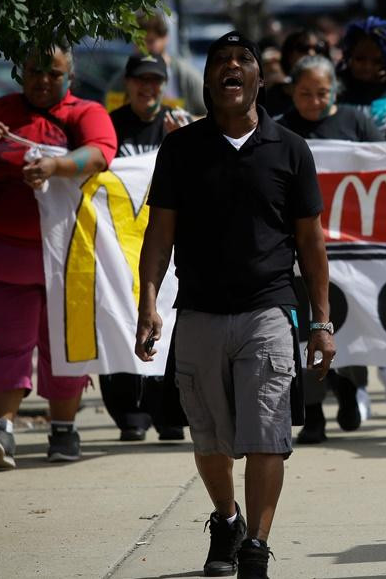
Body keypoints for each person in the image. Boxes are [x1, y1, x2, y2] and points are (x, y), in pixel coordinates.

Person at [135, 31, 335, 578]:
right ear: (207, 81)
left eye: (242, 59)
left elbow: (312, 243)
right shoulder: (181, 150)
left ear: (258, 79)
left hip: (269, 310)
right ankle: (227, 519)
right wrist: (148, 304)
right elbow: (159, 234)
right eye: (220, 60)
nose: (231, 66)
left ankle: (256, 545)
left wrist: (321, 321)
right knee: (211, 439)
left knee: (268, 430)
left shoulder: (290, 148)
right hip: (198, 310)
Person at [0, 42, 118, 468]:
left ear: (70, 76)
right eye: (35, 71)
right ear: (21, 72)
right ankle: (2, 430)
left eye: (54, 73)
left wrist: (57, 167)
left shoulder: (83, 113)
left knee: (65, 348)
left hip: (67, 260)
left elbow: (101, 153)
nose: (44, 80)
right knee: (9, 345)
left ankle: (64, 431)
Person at [276, 55, 385, 444]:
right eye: (305, 93)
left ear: (334, 89)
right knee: (308, 326)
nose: (314, 101)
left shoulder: (357, 122)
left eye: (321, 93)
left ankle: (348, 386)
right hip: (304, 247)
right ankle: (315, 414)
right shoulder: (280, 130)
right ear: (292, 91)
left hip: (355, 250)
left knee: (351, 323)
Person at [96, 53, 190, 442]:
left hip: (163, 242)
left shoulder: (179, 126)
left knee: (166, 318)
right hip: (116, 244)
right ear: (127, 83)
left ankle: (166, 405)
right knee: (117, 318)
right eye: (140, 80)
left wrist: (180, 142)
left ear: (164, 85)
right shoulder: (109, 126)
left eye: (155, 80)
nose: (147, 88)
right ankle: (128, 408)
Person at [104, 11, 207, 116]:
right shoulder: (121, 80)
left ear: (165, 38)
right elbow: (110, 120)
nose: (143, 48)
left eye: (150, 41)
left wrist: (186, 123)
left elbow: (214, 117)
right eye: (139, 42)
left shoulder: (186, 77)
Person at [265, 28, 331, 118]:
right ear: (289, 55)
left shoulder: (339, 96)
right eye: (303, 48)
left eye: (319, 48)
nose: (311, 53)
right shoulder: (271, 98)